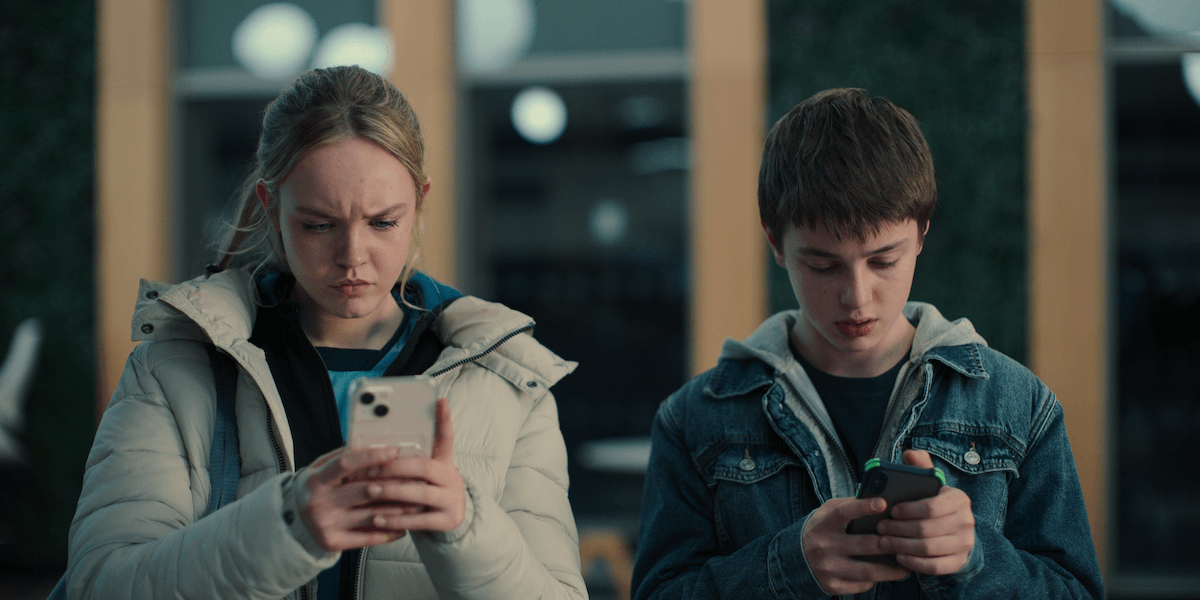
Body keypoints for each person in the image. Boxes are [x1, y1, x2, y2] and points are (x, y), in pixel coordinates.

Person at [65, 66, 587, 600]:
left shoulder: (510, 383)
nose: (353, 257)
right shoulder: (174, 371)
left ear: (420, 202)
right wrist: (288, 528)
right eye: (318, 225)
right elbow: (99, 585)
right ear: (272, 207)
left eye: (383, 222)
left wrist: (463, 526)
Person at [630, 88, 1104, 599]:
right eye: (823, 265)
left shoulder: (1018, 405)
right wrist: (788, 567)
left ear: (921, 234)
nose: (857, 297)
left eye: (884, 261)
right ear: (775, 243)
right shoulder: (694, 420)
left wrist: (975, 560)